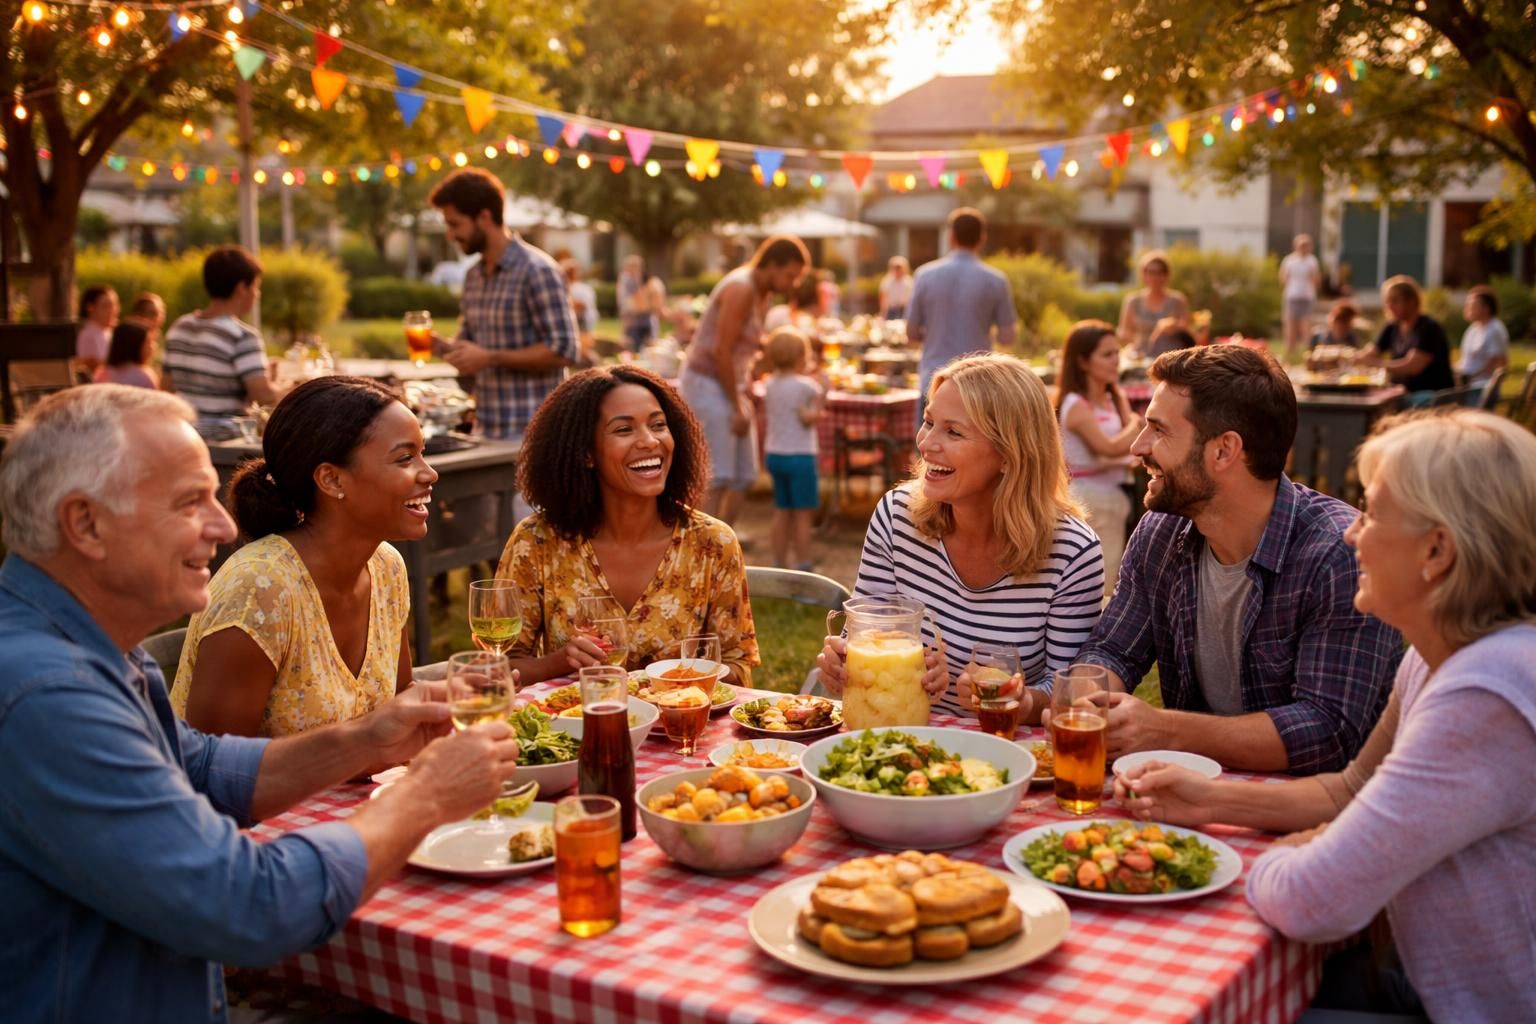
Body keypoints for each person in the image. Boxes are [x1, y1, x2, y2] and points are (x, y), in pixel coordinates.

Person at [0, 385, 519, 1024]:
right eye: (189, 503)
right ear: (85, 524)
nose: (224, 527)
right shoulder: (49, 694)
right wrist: (426, 796)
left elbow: (201, 766)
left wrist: (371, 737)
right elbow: (244, 905)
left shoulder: (93, 647)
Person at [1116, 409, 1536, 1022]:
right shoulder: (1440, 656)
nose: (1352, 533)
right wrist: (1210, 799)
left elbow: (1311, 901)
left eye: (1373, 512)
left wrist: (1299, 850)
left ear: (1437, 550)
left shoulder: (1485, 694)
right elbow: (1349, 789)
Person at [1068, 344, 1401, 774]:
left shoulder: (1339, 555)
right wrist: (1087, 702)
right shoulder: (1161, 532)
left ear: (1224, 450)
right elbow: (1113, 649)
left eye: (1158, 430)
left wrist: (1168, 730)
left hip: (1315, 804)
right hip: (1191, 791)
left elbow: (1326, 733)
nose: (1137, 446)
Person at [817, 353, 1105, 718]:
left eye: (953, 432)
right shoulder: (896, 516)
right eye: (928, 422)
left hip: (1007, 745)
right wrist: (843, 661)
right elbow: (865, 633)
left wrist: (1018, 700)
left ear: (1009, 454)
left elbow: (1069, 692)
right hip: (905, 734)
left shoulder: (1073, 552)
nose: (926, 443)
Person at [173, 376, 435, 738]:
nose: (430, 473)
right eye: (405, 458)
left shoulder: (386, 567)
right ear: (332, 480)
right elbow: (215, 763)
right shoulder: (258, 591)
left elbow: (397, 709)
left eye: (423, 453)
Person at [496, 365, 760, 686]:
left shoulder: (713, 543)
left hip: (681, 719)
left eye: (658, 425)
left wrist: (681, 681)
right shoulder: (536, 541)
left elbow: (738, 664)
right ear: (586, 453)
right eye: (624, 430)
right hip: (574, 717)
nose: (650, 441)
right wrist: (562, 661)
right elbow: (501, 665)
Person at [427, 168, 580, 450]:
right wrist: (440, 347)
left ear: (484, 218)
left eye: (455, 224)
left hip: (535, 438)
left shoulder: (538, 270)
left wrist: (490, 357)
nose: (450, 235)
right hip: (484, 432)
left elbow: (565, 350)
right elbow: (472, 351)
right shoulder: (473, 276)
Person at [680, 234, 810, 525]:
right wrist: (736, 404)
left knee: (745, 475)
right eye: (791, 275)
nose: (793, 284)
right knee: (718, 476)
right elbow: (721, 351)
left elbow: (746, 345)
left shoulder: (763, 294)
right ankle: (698, 544)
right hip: (707, 384)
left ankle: (722, 541)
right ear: (772, 265)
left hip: (732, 385)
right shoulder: (740, 288)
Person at [161, 245, 285, 440]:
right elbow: (263, 396)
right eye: (255, 286)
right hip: (225, 439)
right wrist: (294, 390)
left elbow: (166, 388)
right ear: (242, 288)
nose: (257, 294)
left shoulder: (180, 327)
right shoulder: (242, 336)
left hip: (184, 434)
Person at [1055, 321, 1142, 594]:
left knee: (1111, 576)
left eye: (1117, 353)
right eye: (1106, 354)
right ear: (1082, 361)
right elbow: (1108, 448)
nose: (1116, 360)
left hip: (1115, 498)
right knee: (1095, 583)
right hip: (1088, 501)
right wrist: (1136, 423)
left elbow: (1131, 448)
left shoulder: (1114, 398)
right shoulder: (1075, 404)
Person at [906, 208, 1018, 401]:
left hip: (934, 382)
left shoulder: (924, 275)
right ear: (982, 238)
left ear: (950, 236)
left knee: (930, 421)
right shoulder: (995, 281)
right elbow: (1007, 337)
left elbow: (911, 332)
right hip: (978, 385)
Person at [761, 327, 824, 571]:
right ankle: (804, 563)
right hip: (800, 455)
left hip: (775, 453)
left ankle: (778, 561)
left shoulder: (770, 384)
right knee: (802, 514)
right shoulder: (806, 386)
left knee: (782, 510)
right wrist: (821, 400)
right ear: (800, 356)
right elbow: (808, 417)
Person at [1355, 275, 1454, 398]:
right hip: (1402, 393)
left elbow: (1413, 366)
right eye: (1388, 301)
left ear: (1411, 301)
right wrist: (1350, 357)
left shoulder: (1429, 327)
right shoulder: (1392, 327)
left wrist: (1375, 363)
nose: (1389, 306)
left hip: (1430, 397)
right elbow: (1372, 352)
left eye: (1395, 300)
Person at [1118, 251, 1189, 357]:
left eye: (1160, 272)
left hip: (1170, 356)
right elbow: (1123, 331)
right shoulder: (1133, 301)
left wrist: (1173, 325)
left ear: (1167, 275)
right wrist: (1136, 341)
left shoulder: (1178, 300)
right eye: (1151, 272)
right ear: (1143, 274)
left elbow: (1187, 331)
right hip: (1140, 355)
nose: (1155, 277)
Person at [1456, 284, 1509, 388]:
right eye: (1467, 305)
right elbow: (1466, 361)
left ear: (1486, 308)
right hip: (1467, 383)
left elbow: (1497, 364)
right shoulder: (1473, 329)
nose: (1467, 308)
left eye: (1472, 305)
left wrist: (1468, 378)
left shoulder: (1495, 329)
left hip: (1482, 386)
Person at [1279, 234, 1321, 365]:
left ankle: (1308, 359)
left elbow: (1316, 279)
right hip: (1292, 298)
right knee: (1290, 330)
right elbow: (1283, 278)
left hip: (1306, 299)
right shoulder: (1289, 260)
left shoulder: (1312, 261)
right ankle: (1288, 360)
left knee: (1306, 330)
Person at [93, 321, 160, 389]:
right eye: (148, 342)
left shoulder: (103, 373)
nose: (153, 347)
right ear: (135, 346)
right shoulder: (144, 378)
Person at [74, 283, 119, 377]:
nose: (113, 310)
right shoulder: (87, 334)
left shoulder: (110, 332)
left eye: (114, 305)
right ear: (90, 308)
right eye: (106, 306)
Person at [617, 255, 655, 351]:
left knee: (648, 348)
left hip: (646, 320)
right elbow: (626, 304)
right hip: (633, 322)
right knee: (634, 348)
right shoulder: (626, 281)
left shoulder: (645, 279)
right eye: (632, 266)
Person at [562, 258, 599, 338]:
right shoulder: (583, 288)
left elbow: (582, 306)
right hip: (585, 323)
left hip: (581, 323)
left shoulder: (574, 288)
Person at [879, 256, 914, 320]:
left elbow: (912, 300)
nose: (897, 270)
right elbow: (883, 299)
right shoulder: (887, 281)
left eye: (899, 268)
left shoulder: (909, 282)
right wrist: (882, 315)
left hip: (905, 310)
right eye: (895, 268)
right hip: (891, 310)